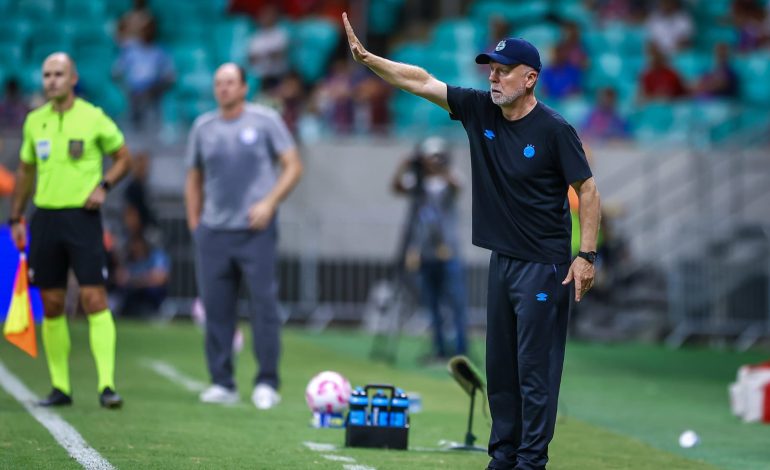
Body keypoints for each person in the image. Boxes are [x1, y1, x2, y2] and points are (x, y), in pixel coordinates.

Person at [342, 13, 601, 470]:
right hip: (502, 263)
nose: (493, 76)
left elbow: (588, 190)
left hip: (544, 266)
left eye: (502, 70)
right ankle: (501, 459)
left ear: (531, 78)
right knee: (500, 371)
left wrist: (586, 256)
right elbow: (421, 81)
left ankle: (530, 462)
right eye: (491, 68)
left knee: (534, 375)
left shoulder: (555, 130)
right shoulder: (481, 108)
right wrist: (368, 59)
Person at [8, 53, 133, 409]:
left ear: (73, 78)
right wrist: (16, 217)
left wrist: (104, 186)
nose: (52, 80)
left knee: (94, 298)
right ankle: (60, 387)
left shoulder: (93, 118)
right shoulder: (35, 122)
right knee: (51, 303)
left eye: (59, 74)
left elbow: (124, 157)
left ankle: (107, 385)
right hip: (44, 217)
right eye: (47, 74)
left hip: (82, 218)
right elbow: (26, 171)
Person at [184, 63, 303, 409]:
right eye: (218, 82)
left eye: (230, 82)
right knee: (216, 309)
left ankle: (267, 382)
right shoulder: (202, 127)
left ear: (244, 87)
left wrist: (269, 202)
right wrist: (195, 223)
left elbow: (293, 164)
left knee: (264, 307)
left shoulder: (265, 121)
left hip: (256, 232)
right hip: (214, 232)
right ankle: (222, 382)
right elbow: (193, 177)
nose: (223, 88)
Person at [391, 136, 467, 362]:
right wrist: (405, 165)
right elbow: (396, 187)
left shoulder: (448, 180)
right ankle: (439, 349)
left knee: (455, 302)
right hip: (424, 253)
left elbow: (457, 185)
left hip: (449, 251)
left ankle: (460, 350)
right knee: (431, 303)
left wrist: (441, 167)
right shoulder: (418, 183)